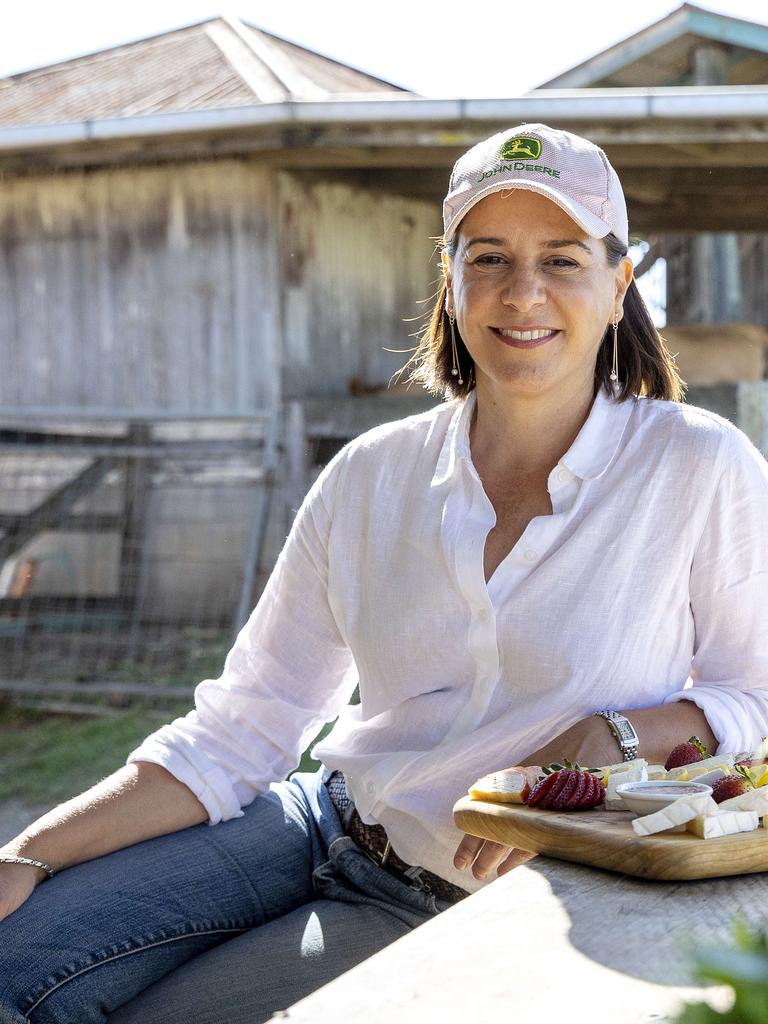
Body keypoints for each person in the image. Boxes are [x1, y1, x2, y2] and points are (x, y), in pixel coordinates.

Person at [2, 122, 768, 1023]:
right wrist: (31, 853)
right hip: (317, 823)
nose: (523, 292)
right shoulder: (370, 475)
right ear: (451, 278)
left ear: (617, 286)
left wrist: (615, 737)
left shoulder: (697, 463)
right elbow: (243, 726)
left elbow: (753, 697)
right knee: (15, 963)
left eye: (562, 259)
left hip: (466, 895)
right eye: (488, 257)